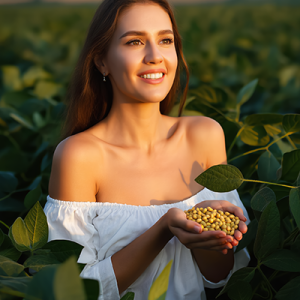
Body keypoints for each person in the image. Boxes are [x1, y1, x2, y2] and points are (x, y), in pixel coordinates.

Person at [44, 0, 250, 299]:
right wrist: (164, 227)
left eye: (165, 40)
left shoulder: (204, 135)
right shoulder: (79, 156)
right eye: (135, 42)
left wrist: (209, 235)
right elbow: (72, 290)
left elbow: (220, 279)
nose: (155, 56)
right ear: (101, 61)